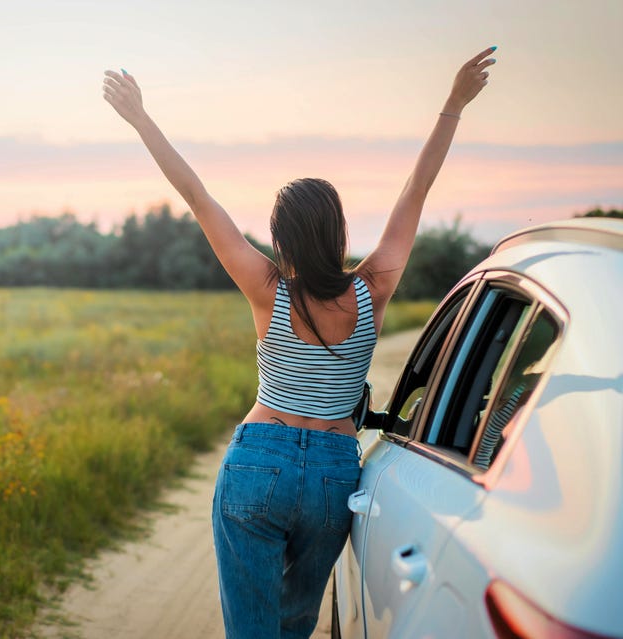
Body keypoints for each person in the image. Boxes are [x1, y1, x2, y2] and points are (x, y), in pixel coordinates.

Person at [103, 46, 496, 639]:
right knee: (293, 628)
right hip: (335, 476)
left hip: (259, 459)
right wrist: (453, 104)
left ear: (278, 237)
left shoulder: (267, 289)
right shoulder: (374, 289)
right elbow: (415, 192)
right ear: (339, 231)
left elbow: (196, 195)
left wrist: (140, 119)